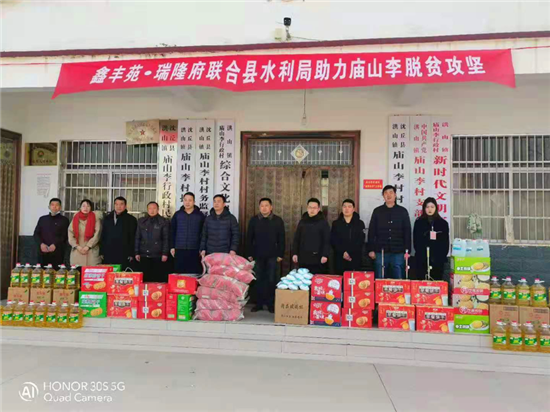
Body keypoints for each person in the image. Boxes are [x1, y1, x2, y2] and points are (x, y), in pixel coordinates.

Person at [247, 198, 286, 313]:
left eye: (266, 205)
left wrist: (280, 254)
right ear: (259, 207)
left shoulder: (277, 220)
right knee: (258, 279)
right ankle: (258, 303)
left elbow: (282, 238)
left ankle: (271, 304)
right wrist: (249, 253)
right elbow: (249, 238)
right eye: (262, 206)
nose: (264, 208)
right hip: (257, 255)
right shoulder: (254, 220)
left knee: (271, 279)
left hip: (272, 255)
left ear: (271, 207)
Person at [368, 185, 412, 279]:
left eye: (391, 192)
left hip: (398, 251)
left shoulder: (402, 211)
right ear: (383, 196)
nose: (388, 195)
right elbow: (372, 231)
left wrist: (407, 251)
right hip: (381, 250)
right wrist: (371, 249)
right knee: (380, 277)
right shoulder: (377, 211)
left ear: (395, 195)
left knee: (398, 278)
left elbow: (407, 232)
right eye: (386, 193)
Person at [413, 197, 450, 280]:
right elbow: (416, 242)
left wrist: (440, 256)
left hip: (438, 260)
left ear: (436, 208)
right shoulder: (419, 222)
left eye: (432, 207)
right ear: (424, 208)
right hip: (422, 259)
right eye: (427, 207)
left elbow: (445, 243)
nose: (430, 209)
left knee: (436, 282)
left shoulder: (443, 223)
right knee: (422, 282)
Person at [292, 198, 330, 274]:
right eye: (310, 207)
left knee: (317, 278)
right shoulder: (302, 221)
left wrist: (325, 255)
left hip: (318, 258)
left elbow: (327, 240)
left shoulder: (323, 223)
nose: (312, 210)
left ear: (318, 209)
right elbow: (297, 239)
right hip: (303, 257)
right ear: (307, 208)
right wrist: (295, 253)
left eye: (314, 208)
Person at [135, 201, 170, 282]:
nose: (152, 210)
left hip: (158, 255)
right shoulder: (141, 221)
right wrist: (136, 252)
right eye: (150, 208)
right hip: (144, 254)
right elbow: (137, 237)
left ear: (158, 209)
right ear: (147, 210)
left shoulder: (163, 221)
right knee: (145, 280)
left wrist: (165, 253)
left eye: (154, 208)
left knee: (157, 279)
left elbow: (166, 238)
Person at [170, 192, 205, 274]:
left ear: (194, 202)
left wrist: (202, 248)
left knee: (193, 274)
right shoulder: (177, 214)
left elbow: (203, 233)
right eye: (185, 200)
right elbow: (172, 231)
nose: (187, 202)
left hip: (195, 249)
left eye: (190, 200)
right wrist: (172, 246)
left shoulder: (200, 215)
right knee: (179, 274)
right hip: (179, 249)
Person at [331, 199, 366, 276]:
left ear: (353, 209)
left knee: (354, 279)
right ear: (342, 208)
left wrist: (349, 252)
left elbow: (360, 240)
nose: (346, 209)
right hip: (340, 257)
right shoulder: (336, 224)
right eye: (344, 207)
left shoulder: (360, 223)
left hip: (354, 257)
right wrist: (343, 252)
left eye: (349, 207)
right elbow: (334, 240)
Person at [100, 196, 137, 269]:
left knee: (122, 273)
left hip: (124, 253)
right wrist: (102, 251)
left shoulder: (131, 219)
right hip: (109, 252)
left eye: (121, 204)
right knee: (109, 272)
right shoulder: (107, 218)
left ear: (125, 206)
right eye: (116, 204)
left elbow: (133, 237)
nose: (118, 206)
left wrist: (131, 253)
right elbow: (103, 235)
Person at [33, 198, 70, 268]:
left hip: (57, 252)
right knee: (42, 272)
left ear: (60, 207)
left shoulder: (64, 220)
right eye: (52, 205)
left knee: (57, 272)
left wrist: (55, 244)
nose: (54, 207)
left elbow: (64, 236)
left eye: (57, 205)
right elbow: (36, 234)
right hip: (43, 252)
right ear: (49, 207)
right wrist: (41, 244)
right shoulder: (42, 219)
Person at [68, 199, 102, 266]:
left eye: (88, 206)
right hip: (78, 250)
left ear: (91, 208)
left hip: (91, 251)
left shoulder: (96, 218)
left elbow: (97, 234)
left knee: (91, 271)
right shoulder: (75, 218)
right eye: (83, 206)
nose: (85, 208)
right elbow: (70, 233)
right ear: (80, 208)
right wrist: (77, 246)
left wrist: (88, 246)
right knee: (77, 271)